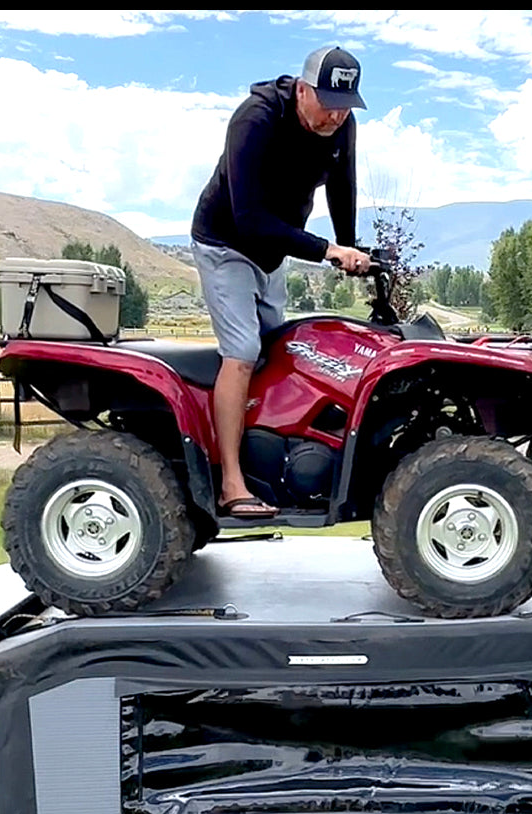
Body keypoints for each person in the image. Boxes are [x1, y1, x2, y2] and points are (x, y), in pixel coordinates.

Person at [191, 44, 372, 518]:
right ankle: (231, 484)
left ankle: (266, 464)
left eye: (346, 106)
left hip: (274, 252)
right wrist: (324, 250)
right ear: (304, 90)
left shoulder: (339, 124)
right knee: (243, 351)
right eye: (329, 104)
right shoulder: (255, 120)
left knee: (280, 350)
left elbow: (342, 185)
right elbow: (248, 218)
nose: (336, 116)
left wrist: (348, 249)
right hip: (226, 243)